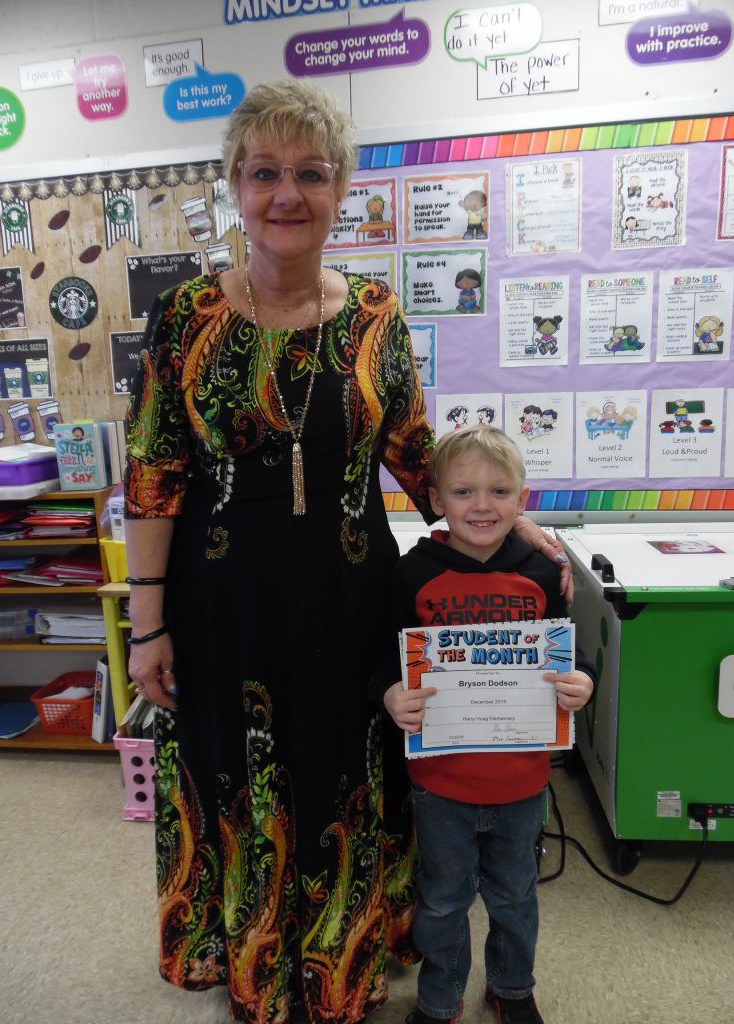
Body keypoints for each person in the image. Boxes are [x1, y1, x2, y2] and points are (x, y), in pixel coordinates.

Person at [123, 80, 572, 1024]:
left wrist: (506, 520)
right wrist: (147, 623)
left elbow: (417, 456)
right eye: (264, 174)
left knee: (345, 777)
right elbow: (154, 476)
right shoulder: (186, 316)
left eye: (311, 174)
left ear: (342, 190)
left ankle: (339, 965)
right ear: (234, 188)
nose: (287, 194)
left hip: (349, 598)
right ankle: (252, 967)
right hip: (221, 606)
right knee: (239, 778)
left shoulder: (375, 315)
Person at [372, 425, 594, 1024]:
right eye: (464, 492)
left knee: (516, 898)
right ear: (437, 499)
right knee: (441, 902)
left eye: (499, 492)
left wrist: (582, 686)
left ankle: (513, 989)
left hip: (522, 784)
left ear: (522, 501)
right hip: (442, 783)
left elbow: (567, 659)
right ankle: (441, 998)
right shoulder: (412, 573)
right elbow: (383, 657)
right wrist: (392, 693)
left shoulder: (544, 574)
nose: (482, 506)